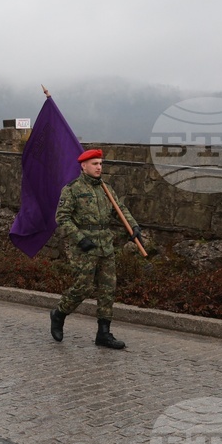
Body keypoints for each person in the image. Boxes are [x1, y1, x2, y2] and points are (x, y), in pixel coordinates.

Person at [49, 149, 140, 350]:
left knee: (108, 288)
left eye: (100, 163)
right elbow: (62, 218)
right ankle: (59, 313)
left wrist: (133, 226)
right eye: (94, 163)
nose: (99, 167)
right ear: (83, 166)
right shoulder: (72, 189)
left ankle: (104, 333)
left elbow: (120, 210)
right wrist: (80, 239)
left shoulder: (105, 188)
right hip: (84, 246)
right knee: (84, 287)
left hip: (105, 244)